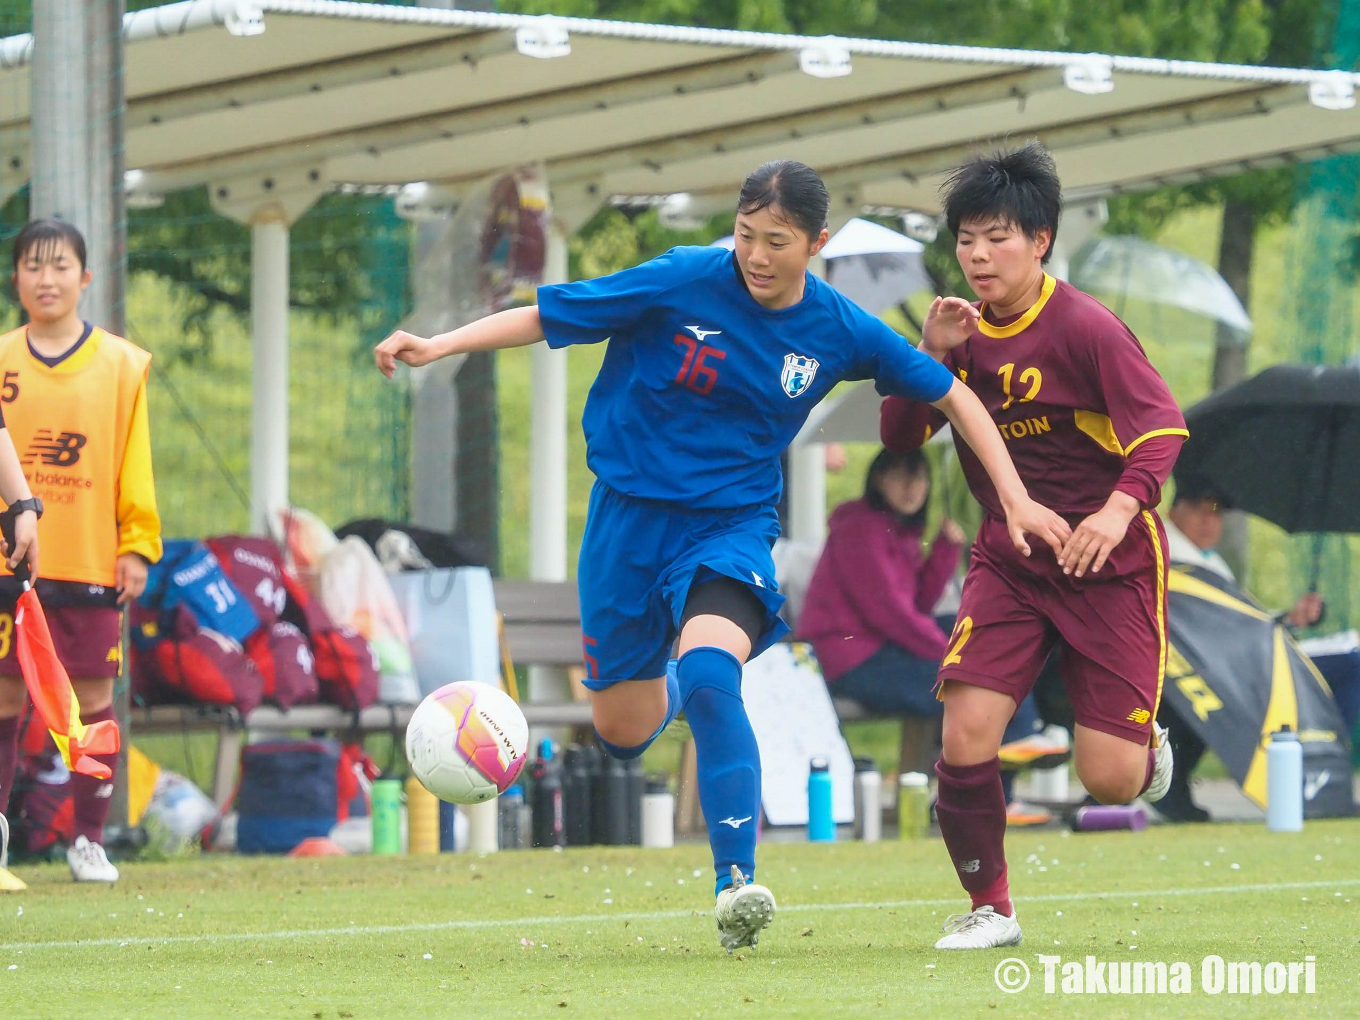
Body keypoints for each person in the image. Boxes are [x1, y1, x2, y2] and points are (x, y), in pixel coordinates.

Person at [376, 160, 1069, 953]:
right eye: (746, 235)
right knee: (623, 730)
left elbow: (954, 395)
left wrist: (1014, 499)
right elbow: (546, 315)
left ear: (817, 244)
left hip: (731, 527)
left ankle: (735, 882)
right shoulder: (680, 279)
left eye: (777, 241)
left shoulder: (837, 328)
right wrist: (440, 345)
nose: (756, 255)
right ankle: (668, 687)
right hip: (626, 527)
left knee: (714, 673)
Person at [880, 142, 1188, 950]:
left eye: (997, 238)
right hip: (1010, 561)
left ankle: (1141, 739)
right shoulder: (958, 328)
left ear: (1041, 240)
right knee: (965, 732)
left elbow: (1162, 433)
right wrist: (933, 353)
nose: (978, 256)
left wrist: (1116, 515)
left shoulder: (1087, 326)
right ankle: (992, 910)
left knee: (1109, 781)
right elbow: (901, 436)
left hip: (1108, 564)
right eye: (967, 240)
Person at [0, 219, 162, 884]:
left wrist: (138, 545)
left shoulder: (123, 365)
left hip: (90, 560)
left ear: (85, 277)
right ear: (16, 279)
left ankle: (88, 839)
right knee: (5, 696)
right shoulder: (2, 357)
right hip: (9, 564)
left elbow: (135, 463)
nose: (46, 279)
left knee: (92, 699)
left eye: (60, 266)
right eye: (33, 266)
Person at [797, 447, 1064, 825]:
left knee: (983, 637)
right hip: (850, 659)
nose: (911, 486)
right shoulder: (860, 526)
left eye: (919, 476)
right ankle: (1006, 773)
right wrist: (952, 657)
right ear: (877, 479)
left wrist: (943, 550)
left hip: (882, 650)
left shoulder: (898, 530)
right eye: (900, 475)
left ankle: (1016, 749)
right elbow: (889, 612)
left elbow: (918, 604)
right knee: (972, 681)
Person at [1158, 475, 1359, 821]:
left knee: (1348, 666)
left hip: (1230, 666)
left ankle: (1323, 767)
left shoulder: (1211, 564)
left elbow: (1234, 629)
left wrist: (1290, 619)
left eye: (1216, 514)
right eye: (1199, 512)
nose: (1210, 522)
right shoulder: (1167, 557)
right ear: (1176, 512)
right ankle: (1170, 786)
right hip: (1184, 669)